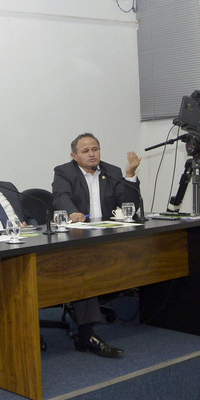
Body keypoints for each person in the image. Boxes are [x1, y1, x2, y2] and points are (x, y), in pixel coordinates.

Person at [51, 132, 142, 357]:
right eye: (86, 151)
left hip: (106, 236)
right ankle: (87, 334)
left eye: (95, 149)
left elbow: (130, 206)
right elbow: (61, 196)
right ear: (74, 155)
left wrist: (130, 176)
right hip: (78, 239)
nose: (92, 154)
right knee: (84, 270)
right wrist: (72, 212)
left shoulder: (112, 171)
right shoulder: (64, 172)